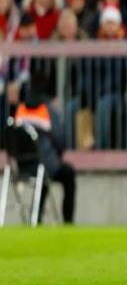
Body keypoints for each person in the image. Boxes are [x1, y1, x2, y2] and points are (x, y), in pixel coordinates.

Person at [14, 73, 77, 223]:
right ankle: (68, 221)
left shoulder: (20, 110)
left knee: (43, 173)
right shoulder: (48, 109)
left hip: (22, 166)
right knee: (67, 174)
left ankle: (36, 216)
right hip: (45, 165)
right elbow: (61, 141)